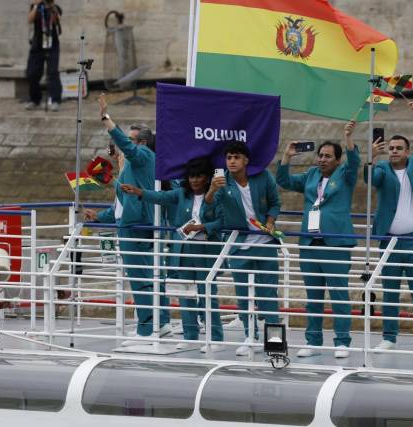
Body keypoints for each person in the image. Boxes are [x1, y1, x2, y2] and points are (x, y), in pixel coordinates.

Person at [85, 95, 169, 346]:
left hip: (135, 227)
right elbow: (122, 203)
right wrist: (99, 216)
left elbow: (127, 146)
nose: (123, 147)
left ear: (142, 142)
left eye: (130, 141)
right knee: (151, 277)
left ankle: (146, 330)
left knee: (141, 278)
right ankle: (161, 322)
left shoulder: (141, 154)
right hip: (137, 222)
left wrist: (106, 118)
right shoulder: (134, 166)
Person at [125, 157, 226, 353]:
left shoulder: (217, 195)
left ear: (207, 178)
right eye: (192, 176)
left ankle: (216, 338)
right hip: (184, 251)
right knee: (185, 294)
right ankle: (191, 337)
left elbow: (222, 221)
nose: (195, 180)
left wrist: (203, 226)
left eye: (199, 176)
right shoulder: (181, 194)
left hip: (206, 250)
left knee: (208, 295)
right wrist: (139, 192)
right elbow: (160, 197)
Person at [277, 125, 360, 359]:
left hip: (335, 244)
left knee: (338, 295)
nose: (322, 160)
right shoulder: (311, 175)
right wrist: (286, 156)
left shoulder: (345, 175)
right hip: (310, 243)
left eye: (328, 156)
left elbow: (355, 162)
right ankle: (312, 340)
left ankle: (342, 341)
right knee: (313, 296)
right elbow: (284, 181)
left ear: (337, 160)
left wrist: (348, 137)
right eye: (320, 155)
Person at [365, 102, 413, 352]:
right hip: (389, 240)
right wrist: (372, 158)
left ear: (408, 151)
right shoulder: (382, 167)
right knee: (390, 290)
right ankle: (389, 337)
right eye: (391, 148)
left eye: (399, 148)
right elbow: (371, 180)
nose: (394, 151)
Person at [208, 141, 283, 356]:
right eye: (229, 158)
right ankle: (250, 337)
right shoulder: (223, 182)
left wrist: (270, 222)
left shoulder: (263, 176)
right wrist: (212, 188)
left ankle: (275, 342)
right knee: (243, 296)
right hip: (239, 245)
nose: (232, 161)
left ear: (246, 160)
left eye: (236, 157)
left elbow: (275, 203)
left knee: (268, 295)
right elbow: (209, 206)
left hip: (265, 244)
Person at [26, 0, 62, 112]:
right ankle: (35, 100)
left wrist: (51, 7)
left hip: (52, 45)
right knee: (32, 73)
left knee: (52, 72)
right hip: (37, 45)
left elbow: (57, 20)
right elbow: (30, 20)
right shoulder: (35, 7)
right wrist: (36, 5)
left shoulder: (55, 7)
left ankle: (55, 100)